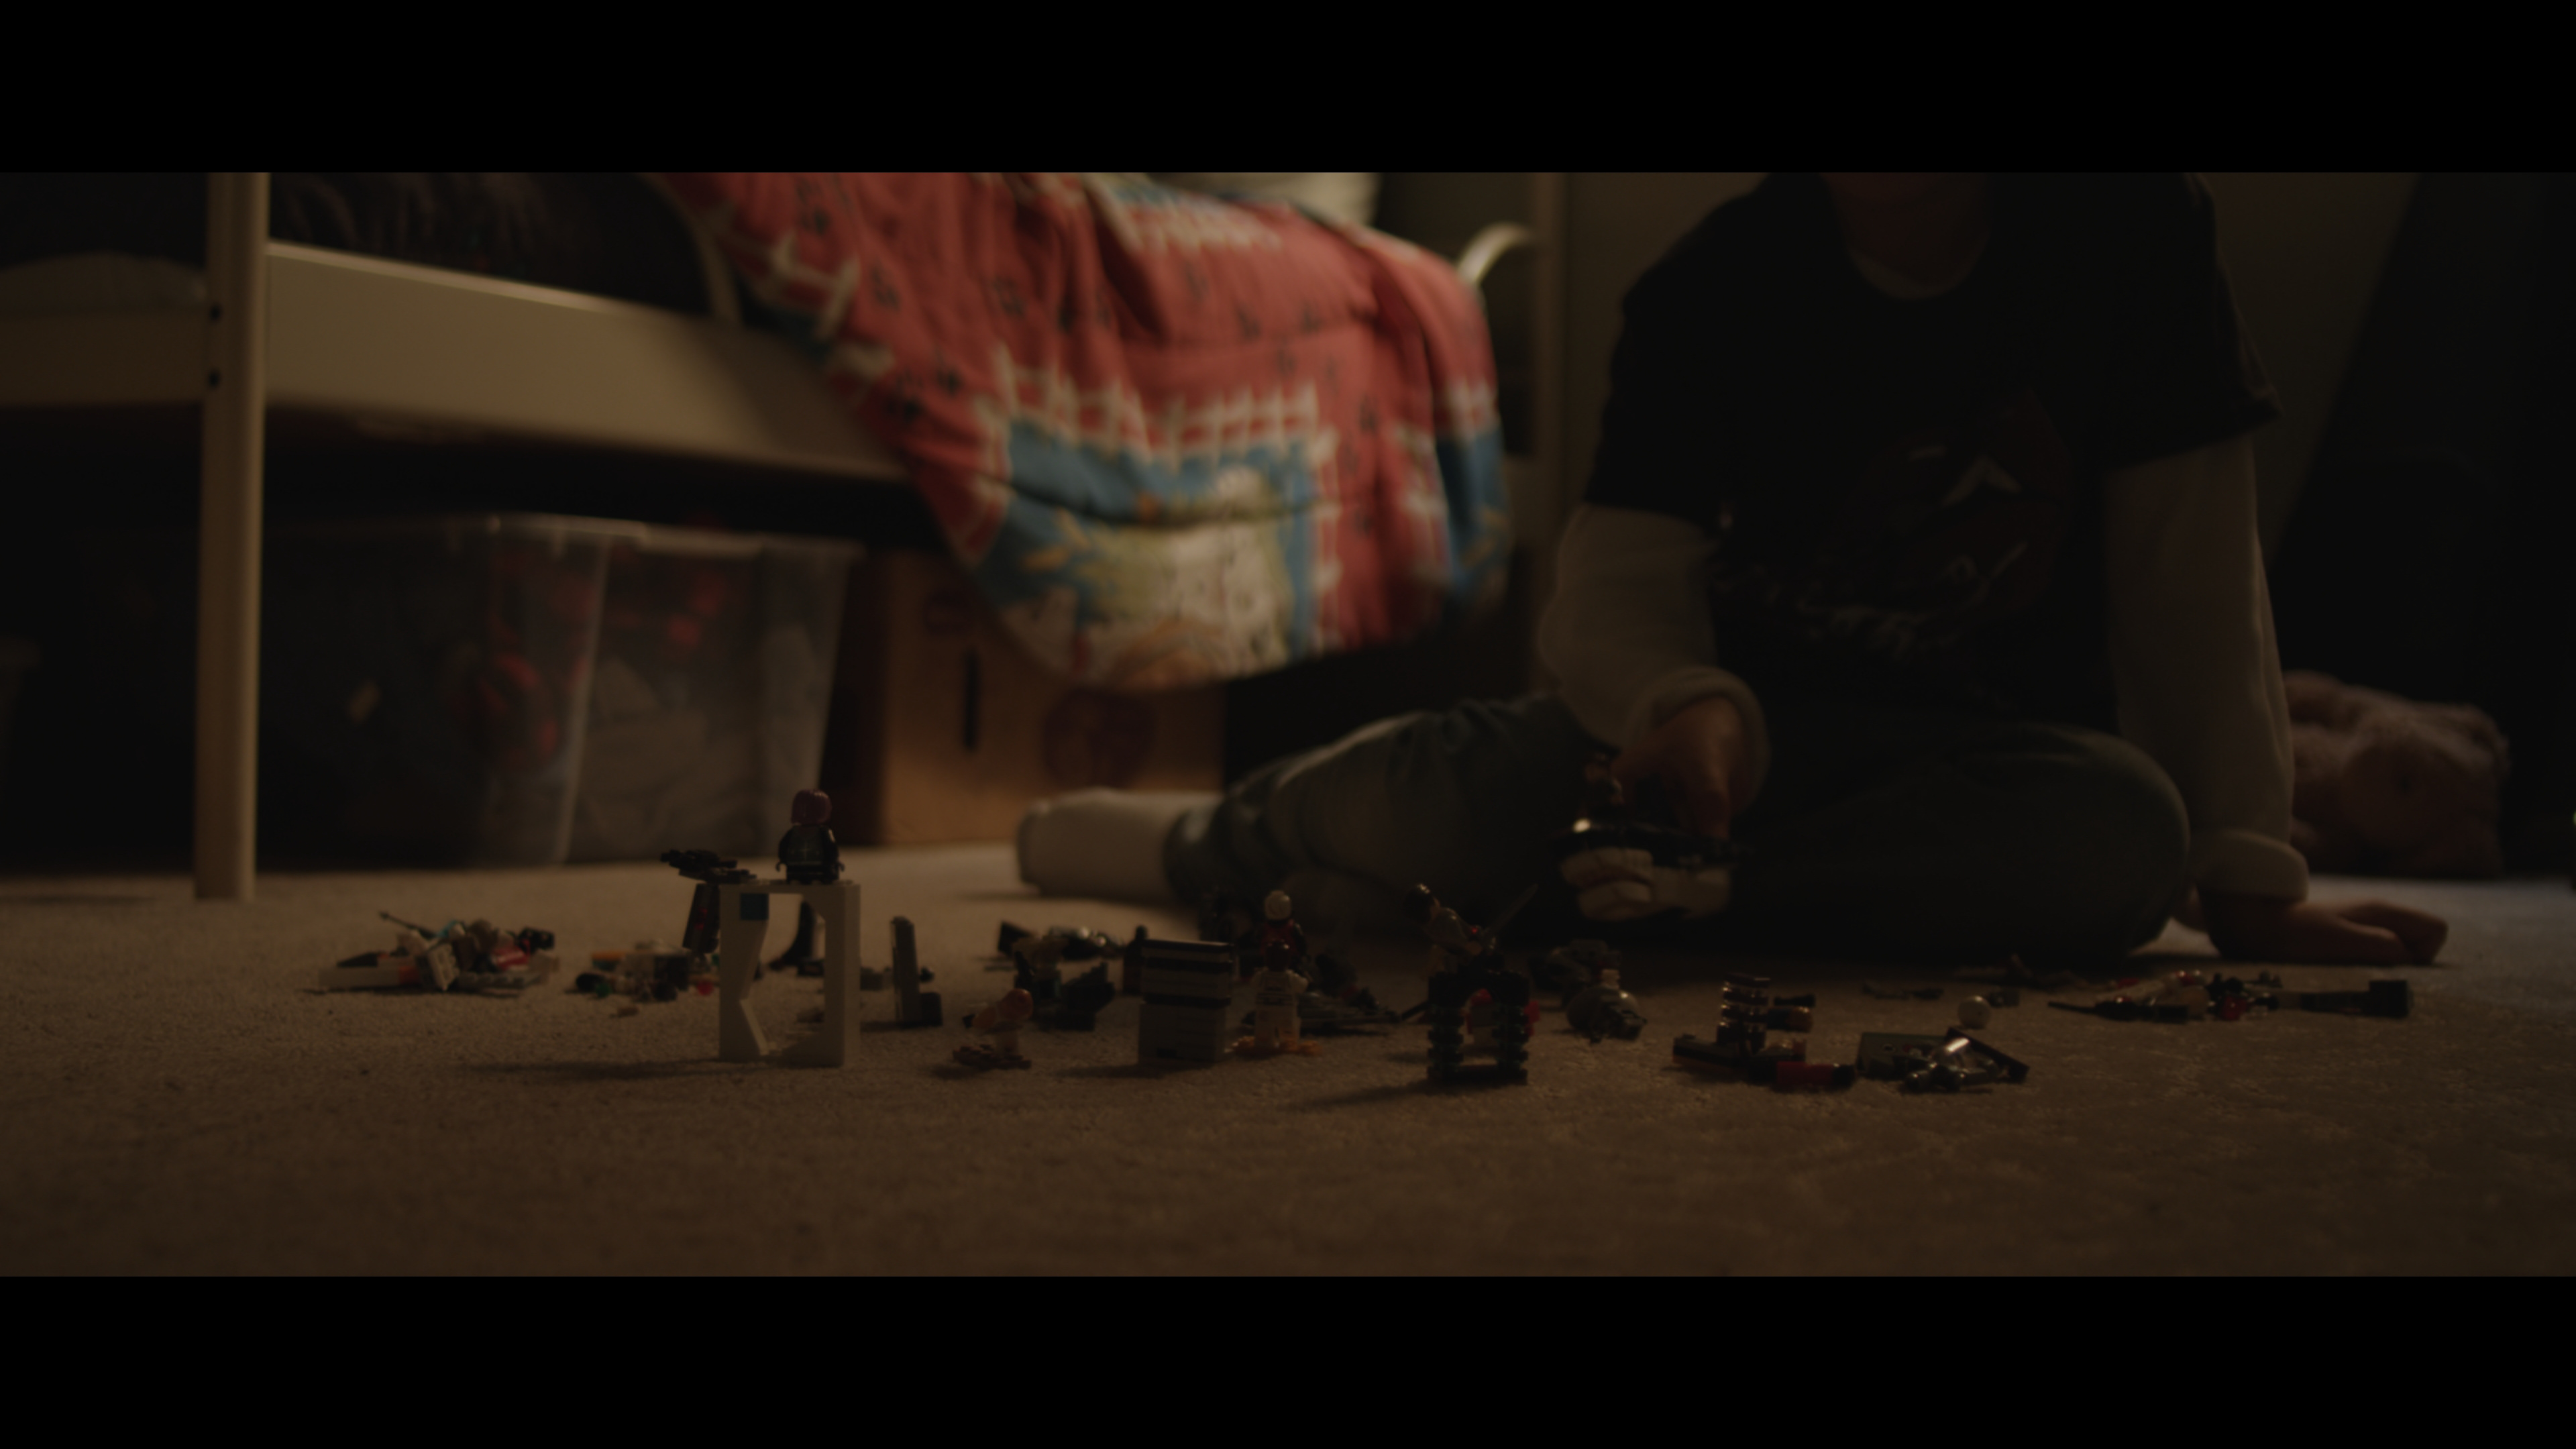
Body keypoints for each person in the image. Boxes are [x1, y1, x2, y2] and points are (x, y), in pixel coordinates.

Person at [1018, 173, 2446, 968]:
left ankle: (1686, 913)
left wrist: (2245, 872)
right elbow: (1616, 587)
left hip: (1981, 770)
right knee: (1428, 797)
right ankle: (1205, 841)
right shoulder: (1707, 289)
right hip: (1702, 759)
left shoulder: (2138, 236)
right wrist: (1687, 703)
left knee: (2126, 835)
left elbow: (2196, 589)